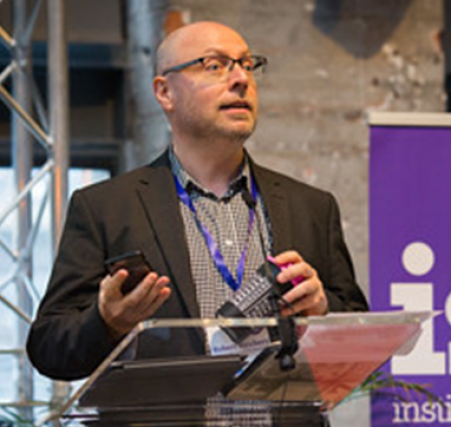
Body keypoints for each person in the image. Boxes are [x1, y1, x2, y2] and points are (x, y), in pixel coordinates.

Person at [26, 21, 368, 382]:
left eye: (247, 65)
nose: (240, 80)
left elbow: (361, 334)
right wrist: (106, 322)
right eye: (215, 66)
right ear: (164, 92)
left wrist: (323, 309)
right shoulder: (106, 208)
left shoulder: (312, 207)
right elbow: (49, 348)